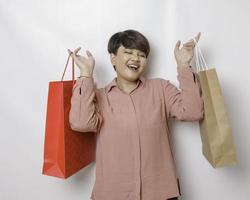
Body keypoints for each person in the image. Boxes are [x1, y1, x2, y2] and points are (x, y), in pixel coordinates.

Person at [68, 29, 204, 200]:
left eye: (141, 55)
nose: (136, 58)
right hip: (112, 194)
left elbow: (193, 112)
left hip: (160, 193)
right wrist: (85, 75)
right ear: (113, 58)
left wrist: (183, 66)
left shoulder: (161, 88)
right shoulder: (99, 96)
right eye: (128, 52)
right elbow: (81, 123)